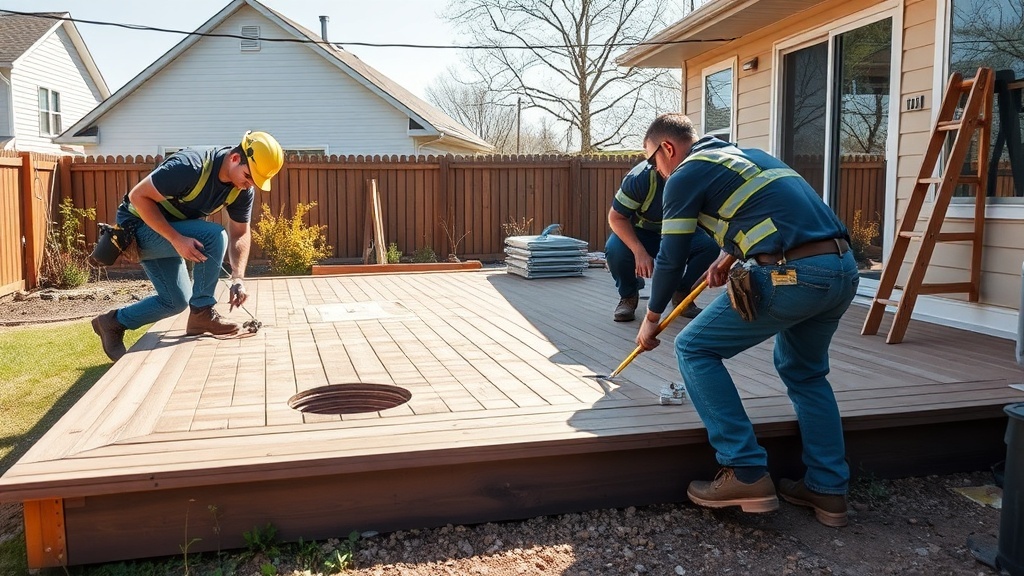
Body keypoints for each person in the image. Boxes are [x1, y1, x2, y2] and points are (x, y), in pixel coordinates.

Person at [635, 113, 859, 527]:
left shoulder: (685, 174)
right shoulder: (751, 157)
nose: (657, 172)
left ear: (668, 148)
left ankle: (745, 471)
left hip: (791, 275)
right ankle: (828, 491)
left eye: (652, 162)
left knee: (694, 347)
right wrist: (730, 255)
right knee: (806, 374)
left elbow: (671, 256)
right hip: (842, 271)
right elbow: (774, 213)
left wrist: (651, 317)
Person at [91, 131, 285, 361]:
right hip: (137, 228)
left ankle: (112, 323)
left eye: (255, 181)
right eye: (248, 176)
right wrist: (176, 239)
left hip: (168, 230)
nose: (249, 185)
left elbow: (241, 233)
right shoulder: (189, 166)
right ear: (235, 158)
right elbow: (137, 197)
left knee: (174, 301)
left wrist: (238, 278)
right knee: (215, 236)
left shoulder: (241, 189)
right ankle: (202, 312)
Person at [605, 160, 718, 321]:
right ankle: (628, 296)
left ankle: (682, 293)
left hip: (678, 231)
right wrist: (639, 252)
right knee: (615, 250)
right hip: (640, 233)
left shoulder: (697, 177)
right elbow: (616, 218)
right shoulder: (640, 178)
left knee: (709, 247)